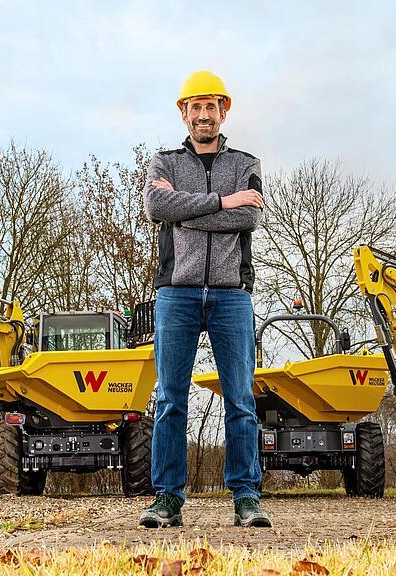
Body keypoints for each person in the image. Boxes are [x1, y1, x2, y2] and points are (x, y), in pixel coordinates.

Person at [138, 70, 270, 528]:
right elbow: (157, 209)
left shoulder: (247, 161)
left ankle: (247, 497)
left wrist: (190, 211)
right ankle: (167, 499)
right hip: (176, 293)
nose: (203, 115)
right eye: (195, 107)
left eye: (211, 106)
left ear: (224, 110)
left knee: (240, 399)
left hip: (232, 296)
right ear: (183, 112)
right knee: (171, 398)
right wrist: (223, 203)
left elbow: (249, 218)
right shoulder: (164, 161)